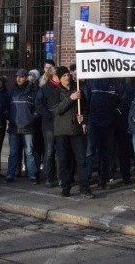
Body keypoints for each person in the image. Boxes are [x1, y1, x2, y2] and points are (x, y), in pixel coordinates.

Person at [53, 66, 94, 198]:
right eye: (64, 76)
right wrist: (71, 98)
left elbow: (86, 107)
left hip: (76, 130)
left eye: (68, 75)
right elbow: (57, 110)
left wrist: (83, 117)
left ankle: (84, 188)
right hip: (62, 131)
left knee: (81, 159)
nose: (67, 77)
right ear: (59, 78)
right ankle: (65, 187)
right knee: (64, 160)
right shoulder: (55, 92)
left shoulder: (78, 89)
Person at [83, 77, 125, 189]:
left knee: (106, 154)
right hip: (93, 123)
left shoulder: (116, 83)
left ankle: (103, 180)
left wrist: (115, 113)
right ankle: (86, 181)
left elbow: (123, 101)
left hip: (109, 124)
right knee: (90, 152)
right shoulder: (91, 81)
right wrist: (85, 121)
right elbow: (85, 101)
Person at [7, 69, 39, 183]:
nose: (18, 79)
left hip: (28, 126)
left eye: (21, 77)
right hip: (14, 126)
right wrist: (9, 116)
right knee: (13, 152)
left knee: (29, 152)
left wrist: (32, 118)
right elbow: (7, 107)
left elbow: (37, 108)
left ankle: (32, 174)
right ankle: (11, 173)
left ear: (26, 77)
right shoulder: (12, 92)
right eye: (17, 77)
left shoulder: (33, 92)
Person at [36, 64, 60, 187]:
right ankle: (49, 177)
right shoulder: (45, 89)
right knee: (50, 151)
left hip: (62, 124)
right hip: (49, 125)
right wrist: (49, 115)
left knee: (61, 151)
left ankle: (61, 176)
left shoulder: (64, 87)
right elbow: (39, 105)